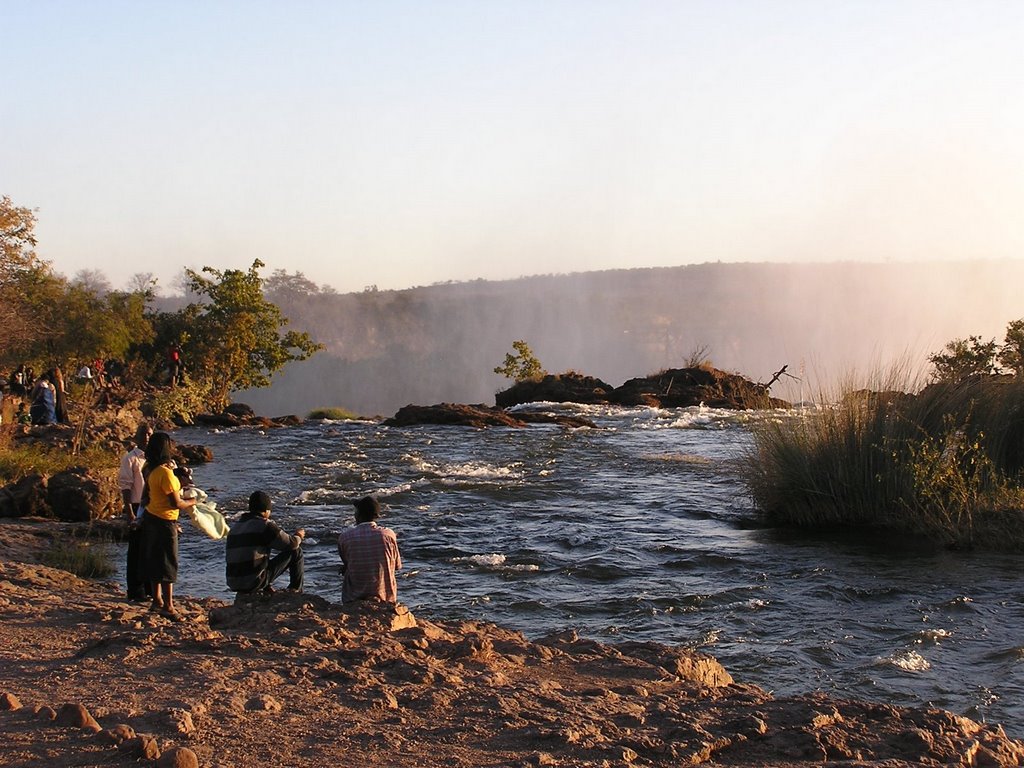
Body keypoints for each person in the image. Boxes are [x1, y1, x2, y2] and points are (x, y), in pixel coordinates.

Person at [139, 431, 196, 620]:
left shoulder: (150, 470)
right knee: (168, 562)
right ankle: (169, 606)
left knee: (154, 560)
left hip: (150, 517)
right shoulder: (166, 474)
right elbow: (176, 503)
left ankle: (156, 601)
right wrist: (192, 502)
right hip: (165, 521)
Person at [225, 491, 305, 594]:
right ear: (266, 510)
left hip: (233, 582)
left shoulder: (235, 527)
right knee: (296, 552)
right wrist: (299, 536)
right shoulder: (264, 525)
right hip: (253, 582)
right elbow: (291, 544)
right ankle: (296, 590)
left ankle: (266, 587)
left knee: (258, 553)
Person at [337, 496, 402, 604]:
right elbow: (397, 566)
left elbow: (348, 563)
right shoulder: (388, 535)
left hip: (353, 598)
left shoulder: (345, 537)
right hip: (385, 597)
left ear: (359, 515)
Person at [118, 423, 152, 601]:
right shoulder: (131, 459)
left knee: (150, 549)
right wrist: (129, 511)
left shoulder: (155, 459)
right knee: (136, 550)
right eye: (143, 434)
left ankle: (150, 589)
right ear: (137, 437)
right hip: (137, 504)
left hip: (153, 506)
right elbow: (126, 486)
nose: (146, 437)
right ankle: (135, 590)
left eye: (149, 434)